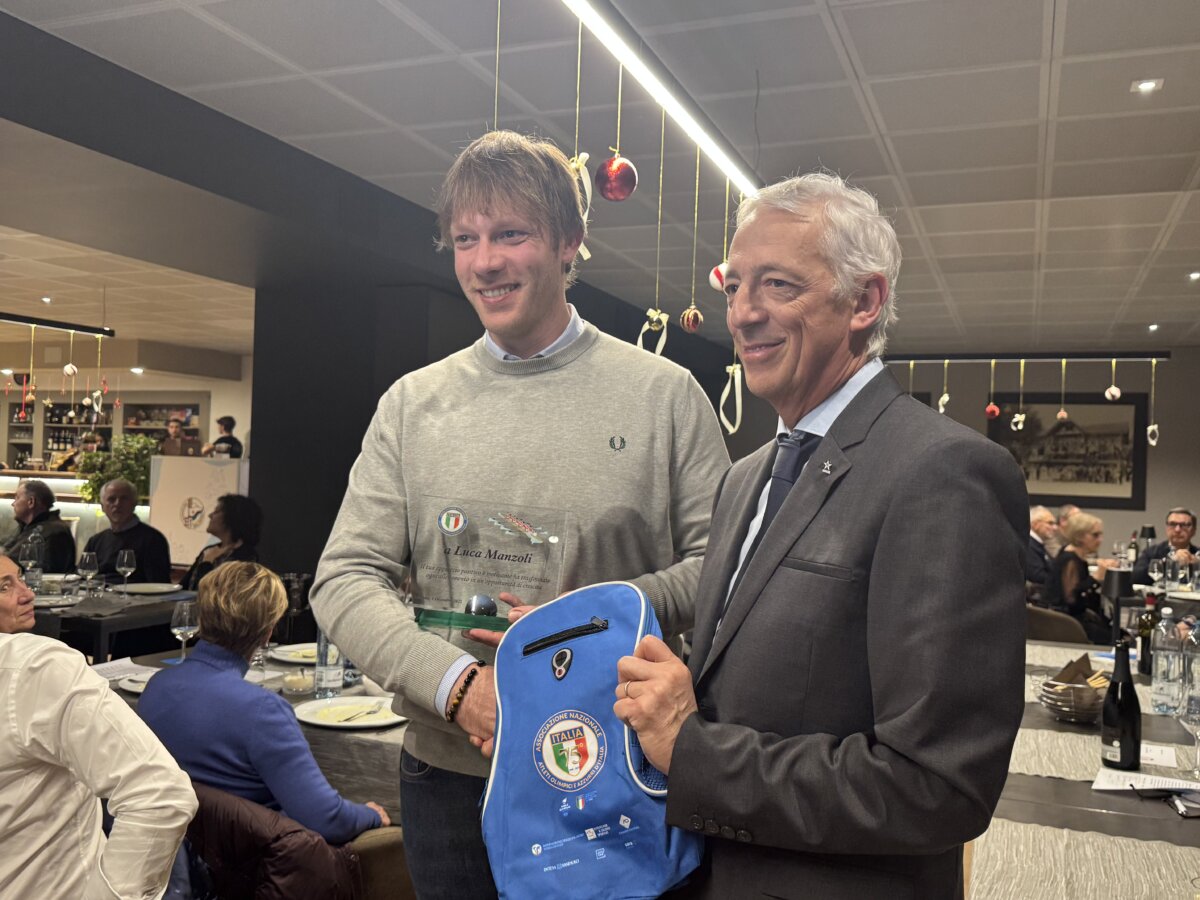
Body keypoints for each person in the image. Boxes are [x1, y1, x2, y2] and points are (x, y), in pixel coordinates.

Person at [310, 129, 730, 898]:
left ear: (569, 242)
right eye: (466, 239)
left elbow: (724, 572)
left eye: (511, 234)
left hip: (614, 768)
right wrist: (459, 687)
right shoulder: (411, 405)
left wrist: (588, 620)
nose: (484, 262)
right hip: (449, 779)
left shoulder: (665, 397)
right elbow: (343, 579)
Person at [613, 173, 1028, 899]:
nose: (743, 313)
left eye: (778, 285)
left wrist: (694, 752)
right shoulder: (745, 478)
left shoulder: (945, 472)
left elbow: (938, 787)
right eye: (734, 285)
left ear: (864, 302)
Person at [140, 561, 388, 844]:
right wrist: (371, 814)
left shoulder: (157, 687)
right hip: (250, 858)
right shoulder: (262, 710)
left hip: (176, 850)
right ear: (268, 631)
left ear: (201, 618)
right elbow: (328, 820)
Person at [0, 554, 197, 898]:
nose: (28, 593)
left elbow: (160, 794)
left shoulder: (37, 670)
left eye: (18, 579)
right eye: (5, 586)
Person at [1044, 512, 1119, 644]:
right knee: (1117, 639)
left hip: (1075, 618)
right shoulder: (1070, 560)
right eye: (1095, 535)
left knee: (1118, 632)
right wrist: (1096, 578)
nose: (1100, 540)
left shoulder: (1076, 556)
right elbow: (1071, 599)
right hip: (1067, 623)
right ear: (1079, 536)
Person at [81, 478, 172, 582]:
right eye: (111, 499)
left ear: (134, 504)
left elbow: (158, 585)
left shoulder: (153, 540)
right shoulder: (95, 541)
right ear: (102, 507)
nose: (117, 504)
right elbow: (82, 577)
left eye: (124, 499)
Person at [181, 493, 261, 590]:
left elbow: (208, 593)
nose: (210, 515)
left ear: (232, 518)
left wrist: (207, 563)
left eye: (216, 512)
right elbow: (182, 587)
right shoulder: (209, 550)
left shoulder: (246, 557)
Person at [4, 479, 76, 573]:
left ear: (31, 502)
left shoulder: (55, 532)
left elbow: (45, 572)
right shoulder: (26, 527)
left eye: (17, 498)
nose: (13, 504)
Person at [1133, 507, 1198, 585]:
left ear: (1194, 530)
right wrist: (1170, 562)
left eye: (1184, 525)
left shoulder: (1197, 554)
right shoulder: (1152, 552)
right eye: (1172, 524)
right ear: (1166, 527)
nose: (1177, 530)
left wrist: (1197, 565)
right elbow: (1136, 578)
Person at [1026, 504, 1057, 596]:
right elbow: (1036, 576)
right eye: (1050, 523)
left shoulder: (1037, 544)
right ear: (1035, 524)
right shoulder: (1029, 545)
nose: (1055, 528)